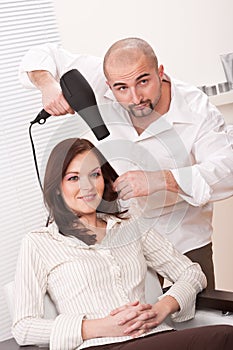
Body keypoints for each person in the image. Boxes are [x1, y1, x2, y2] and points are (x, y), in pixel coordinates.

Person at [19, 38, 233, 289]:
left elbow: (227, 172)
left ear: (160, 72)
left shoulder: (196, 110)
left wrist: (161, 179)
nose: (135, 98)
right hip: (123, 239)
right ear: (109, 85)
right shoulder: (99, 78)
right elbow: (41, 55)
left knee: (196, 315)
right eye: (121, 88)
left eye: (143, 81)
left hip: (183, 238)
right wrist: (48, 85)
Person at [12, 137, 233, 350]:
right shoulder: (39, 242)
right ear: (57, 187)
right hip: (100, 345)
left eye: (94, 174)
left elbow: (192, 273)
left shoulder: (130, 225)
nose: (87, 186)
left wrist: (161, 308)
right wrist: (98, 327)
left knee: (224, 336)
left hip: (155, 336)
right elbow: (24, 327)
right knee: (223, 337)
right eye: (73, 178)